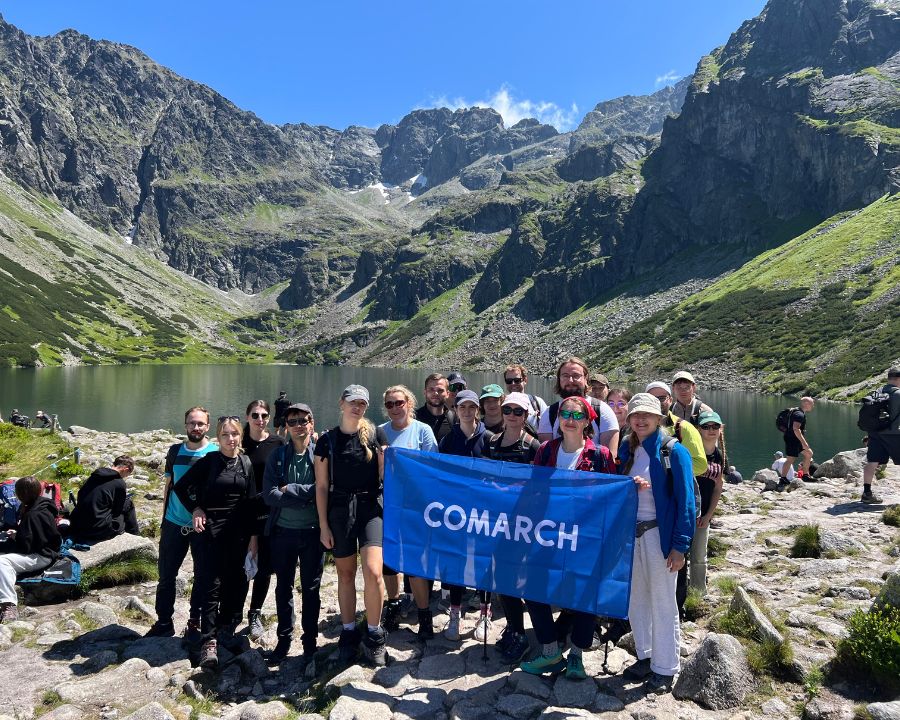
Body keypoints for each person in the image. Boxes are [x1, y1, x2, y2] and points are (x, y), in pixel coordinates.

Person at [521, 396, 616, 680]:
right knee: (533, 586)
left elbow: (613, 493)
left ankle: (576, 656)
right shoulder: (546, 451)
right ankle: (550, 651)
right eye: (565, 414)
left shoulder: (599, 455)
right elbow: (534, 490)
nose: (570, 420)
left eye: (577, 415)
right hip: (548, 534)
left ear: (587, 422)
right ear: (558, 419)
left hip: (585, 537)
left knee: (584, 595)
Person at [618, 394, 695, 694]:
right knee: (637, 598)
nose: (640, 420)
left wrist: (680, 547)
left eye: (647, 415)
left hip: (658, 536)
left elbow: (687, 503)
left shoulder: (673, 452)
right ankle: (646, 655)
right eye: (635, 415)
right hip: (631, 535)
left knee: (663, 601)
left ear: (659, 418)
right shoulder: (628, 449)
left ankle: (665, 668)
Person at [174, 416, 258, 669]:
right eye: (225, 435)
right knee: (211, 585)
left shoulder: (245, 463)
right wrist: (196, 509)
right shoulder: (209, 462)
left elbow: (252, 502)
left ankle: (226, 629)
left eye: (234, 434)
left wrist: (254, 539)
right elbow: (181, 487)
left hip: (239, 533)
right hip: (211, 531)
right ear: (218, 438)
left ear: (240, 437)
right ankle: (208, 641)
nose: (230, 439)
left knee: (236, 582)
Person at [315, 385, 388, 666]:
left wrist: (385, 461)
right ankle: (347, 632)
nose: (357, 407)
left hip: (370, 509)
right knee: (345, 575)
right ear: (341, 403)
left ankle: (374, 632)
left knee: (373, 571)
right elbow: (321, 487)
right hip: (340, 511)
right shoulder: (327, 441)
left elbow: (385, 474)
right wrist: (323, 524)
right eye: (353, 402)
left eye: (362, 404)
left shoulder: (374, 436)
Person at [145, 407, 218, 639]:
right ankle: (164, 621)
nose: (196, 428)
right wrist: (163, 518)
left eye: (200, 424)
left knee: (202, 575)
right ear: (185, 425)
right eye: (191, 423)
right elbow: (169, 485)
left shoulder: (215, 452)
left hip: (203, 526)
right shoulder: (175, 451)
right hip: (174, 522)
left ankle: (194, 621)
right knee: (166, 575)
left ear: (208, 426)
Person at [481, 391, 541, 662]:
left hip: (524, 524)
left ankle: (523, 634)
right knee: (501, 577)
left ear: (526, 416)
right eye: (508, 411)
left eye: (519, 412)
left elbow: (540, 488)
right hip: (497, 522)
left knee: (520, 579)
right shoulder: (491, 442)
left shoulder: (534, 446)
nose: (513, 416)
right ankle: (514, 628)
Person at [263, 403, 323, 667]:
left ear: (311, 423)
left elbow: (325, 488)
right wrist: (306, 496)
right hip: (283, 532)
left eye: (303, 420)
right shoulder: (278, 456)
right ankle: (284, 639)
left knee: (311, 589)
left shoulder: (321, 454)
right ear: (286, 427)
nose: (298, 425)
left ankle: (310, 641)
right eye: (293, 421)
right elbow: (270, 495)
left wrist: (292, 490)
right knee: (283, 587)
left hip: (312, 533)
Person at [376, 385, 438, 640]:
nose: (394, 408)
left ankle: (424, 616)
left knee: (414, 564)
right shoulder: (380, 432)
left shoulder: (422, 430)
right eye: (389, 404)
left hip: (415, 506)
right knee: (389, 561)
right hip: (387, 502)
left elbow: (433, 467)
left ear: (409, 403)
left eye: (398, 403)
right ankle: (393, 605)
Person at [438, 389, 488, 640]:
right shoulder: (448, 441)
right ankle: (455, 615)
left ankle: (484, 614)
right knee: (457, 561)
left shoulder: (489, 438)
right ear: (455, 410)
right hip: (456, 512)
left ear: (478, 409)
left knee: (483, 561)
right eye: (462, 407)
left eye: (472, 407)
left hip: (483, 512)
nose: (467, 411)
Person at [237, 400, 284, 640]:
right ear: (247, 417)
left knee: (263, 568)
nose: (260, 419)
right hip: (240, 513)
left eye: (264, 415)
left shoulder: (277, 442)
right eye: (255, 414)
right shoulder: (239, 441)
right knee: (237, 565)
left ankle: (255, 613)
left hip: (267, 514)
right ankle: (233, 612)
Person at [0, 476, 62, 623]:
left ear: (22, 494)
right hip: (41, 548)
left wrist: (13, 539)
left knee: (2, 562)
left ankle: (9, 605)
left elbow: (27, 547)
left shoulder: (33, 514)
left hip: (41, 555)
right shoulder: (41, 505)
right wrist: (19, 534)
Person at [537, 357, 619, 456]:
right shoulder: (550, 413)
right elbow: (546, 457)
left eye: (576, 376)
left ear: (585, 378)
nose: (570, 381)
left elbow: (610, 458)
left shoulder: (603, 410)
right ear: (559, 380)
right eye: (565, 376)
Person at [692, 411, 726, 595]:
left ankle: (698, 593)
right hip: (687, 513)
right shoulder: (691, 452)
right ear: (699, 429)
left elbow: (717, 487)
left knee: (699, 557)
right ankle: (677, 594)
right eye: (706, 426)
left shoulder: (719, 456)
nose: (711, 430)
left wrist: (708, 515)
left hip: (704, 515)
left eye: (715, 426)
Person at [68, 456, 138, 543]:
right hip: (96, 530)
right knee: (128, 504)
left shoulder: (94, 476)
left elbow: (81, 494)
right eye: (128, 474)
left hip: (77, 525)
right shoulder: (119, 483)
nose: (126, 476)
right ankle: (135, 537)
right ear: (125, 469)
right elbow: (117, 512)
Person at [860, 368, 900, 504]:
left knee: (872, 462)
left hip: (875, 432)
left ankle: (867, 493)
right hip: (894, 434)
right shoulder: (899, 394)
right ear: (899, 379)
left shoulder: (878, 392)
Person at [502, 364, 548, 430]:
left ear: (525, 380)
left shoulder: (537, 402)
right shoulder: (502, 403)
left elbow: (547, 428)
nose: (513, 383)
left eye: (517, 380)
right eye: (509, 381)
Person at [415, 373, 456, 443]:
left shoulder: (455, 419)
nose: (436, 393)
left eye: (440, 390)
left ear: (447, 394)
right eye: (431, 389)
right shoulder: (413, 418)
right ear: (425, 392)